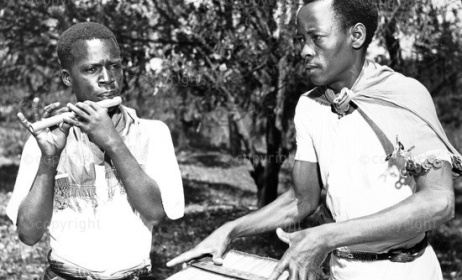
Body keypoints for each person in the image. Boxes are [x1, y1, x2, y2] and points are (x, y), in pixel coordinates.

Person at [167, 0, 461, 279]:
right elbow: (301, 198)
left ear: (355, 36)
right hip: (341, 270)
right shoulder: (309, 107)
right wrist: (230, 229)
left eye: (316, 37)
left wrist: (325, 236)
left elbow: (439, 202)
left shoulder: (402, 96)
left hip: (406, 271)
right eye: (301, 39)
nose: (304, 51)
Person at [7, 22, 184, 280]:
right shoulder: (45, 140)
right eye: (91, 69)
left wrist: (112, 141)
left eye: (114, 65)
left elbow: (156, 214)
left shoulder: (153, 133)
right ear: (68, 77)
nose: (107, 78)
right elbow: (28, 235)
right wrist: (49, 158)